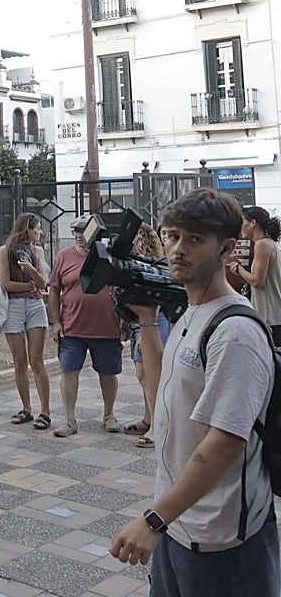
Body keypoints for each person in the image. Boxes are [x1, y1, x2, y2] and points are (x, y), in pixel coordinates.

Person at [110, 188, 278, 594]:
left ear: (227, 248)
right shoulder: (190, 312)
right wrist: (147, 320)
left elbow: (226, 441)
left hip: (222, 537)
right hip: (177, 520)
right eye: (172, 236)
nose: (178, 249)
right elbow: (162, 392)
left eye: (195, 239)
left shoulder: (235, 331)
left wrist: (153, 520)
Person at [48, 216, 122, 437]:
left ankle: (109, 414)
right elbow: (54, 291)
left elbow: (120, 287)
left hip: (106, 327)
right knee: (69, 371)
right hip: (72, 327)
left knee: (108, 373)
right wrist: (56, 322)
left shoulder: (108, 255)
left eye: (84, 231)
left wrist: (125, 320)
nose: (80, 236)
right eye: (76, 231)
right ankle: (69, 419)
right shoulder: (64, 257)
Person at [0, 213, 51, 430]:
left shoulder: (37, 251)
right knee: (19, 360)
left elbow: (43, 283)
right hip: (14, 305)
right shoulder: (5, 251)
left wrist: (30, 270)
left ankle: (45, 411)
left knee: (37, 360)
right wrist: (29, 286)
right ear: (28, 229)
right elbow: (6, 284)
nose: (40, 232)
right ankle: (26, 408)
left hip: (35, 305)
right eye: (37, 228)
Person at [121, 223, 171, 450]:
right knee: (143, 376)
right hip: (138, 323)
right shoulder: (136, 262)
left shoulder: (151, 264)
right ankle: (149, 419)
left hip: (152, 322)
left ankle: (158, 427)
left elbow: (155, 299)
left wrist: (145, 333)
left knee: (149, 375)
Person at [231, 206, 281, 346]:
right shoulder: (268, 243)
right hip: (272, 316)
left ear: (253, 223)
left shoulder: (262, 245)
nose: (240, 227)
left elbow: (258, 281)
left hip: (270, 317)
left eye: (243, 222)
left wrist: (238, 268)